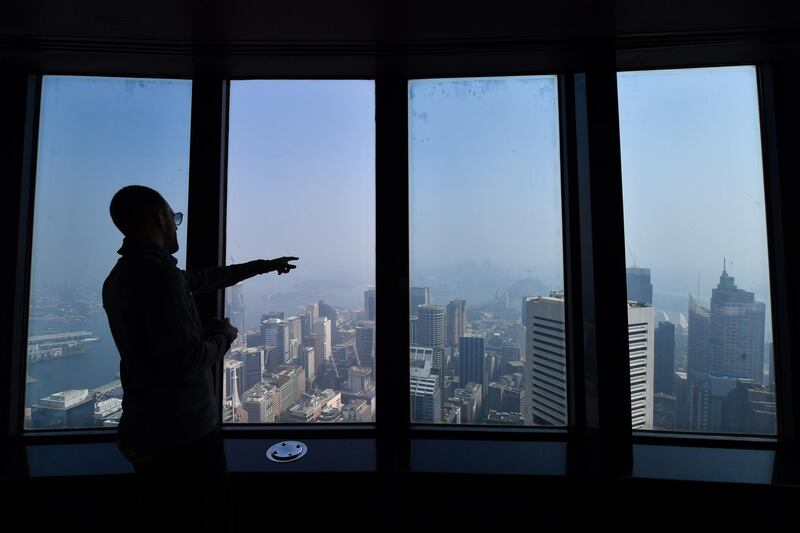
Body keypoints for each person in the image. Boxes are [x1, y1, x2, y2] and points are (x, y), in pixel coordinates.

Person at [102, 185, 297, 531]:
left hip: (145, 429)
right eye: (174, 218)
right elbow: (188, 359)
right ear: (159, 218)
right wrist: (224, 334)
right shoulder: (159, 276)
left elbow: (208, 279)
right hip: (183, 436)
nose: (177, 226)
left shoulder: (120, 277)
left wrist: (266, 266)